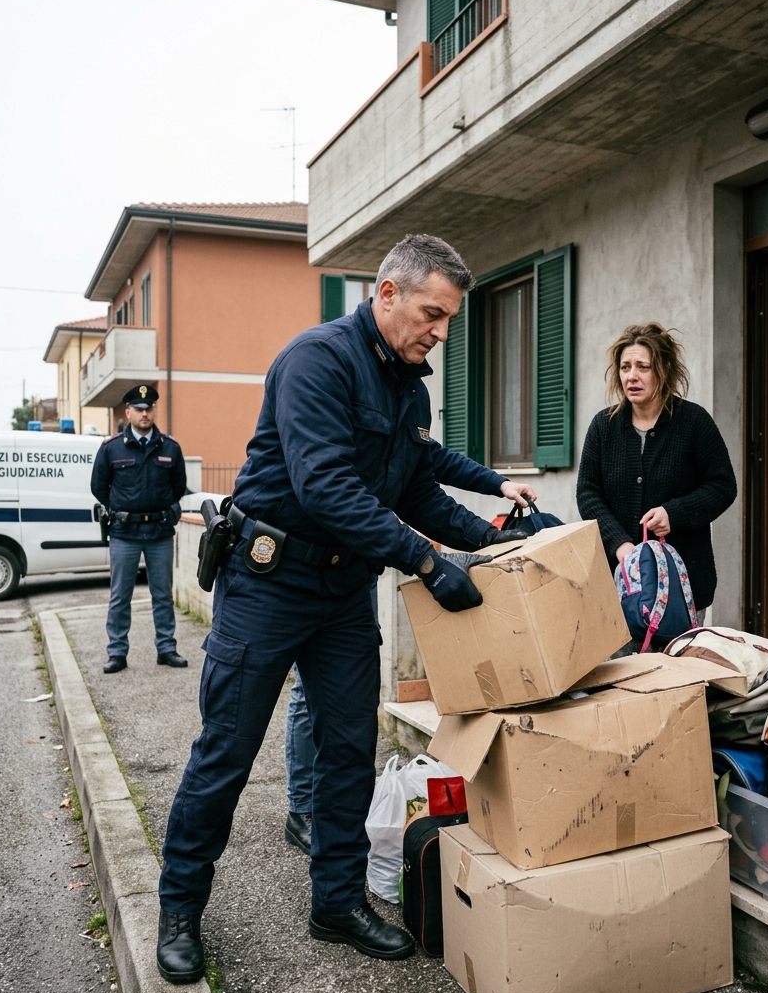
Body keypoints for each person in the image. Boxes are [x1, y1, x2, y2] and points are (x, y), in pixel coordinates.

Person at [155, 234, 528, 984]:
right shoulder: (315, 362)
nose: (441, 332)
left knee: (350, 751)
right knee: (227, 752)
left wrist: (493, 535)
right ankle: (179, 907)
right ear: (386, 293)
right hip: (268, 584)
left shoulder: (408, 390)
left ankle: (336, 903)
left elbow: (415, 491)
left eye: (450, 319)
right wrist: (425, 561)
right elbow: (326, 486)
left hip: (343, 592)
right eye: (432, 313)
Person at [284, 442, 536, 854]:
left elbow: (431, 460)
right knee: (306, 691)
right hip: (303, 565)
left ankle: (338, 813)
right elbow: (328, 481)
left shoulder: (401, 400)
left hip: (355, 565)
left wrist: (499, 485)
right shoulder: (339, 390)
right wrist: (425, 559)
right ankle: (302, 808)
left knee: (345, 695)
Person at [575, 323, 736, 620]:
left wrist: (674, 513)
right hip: (618, 587)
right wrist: (620, 545)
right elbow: (588, 493)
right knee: (623, 667)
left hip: (682, 587)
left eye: (642, 367)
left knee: (678, 665)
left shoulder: (693, 422)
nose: (631, 376)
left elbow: (722, 485)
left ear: (663, 371)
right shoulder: (603, 427)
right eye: (624, 367)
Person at [90, 384, 187, 675]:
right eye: (139, 409)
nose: (145, 414)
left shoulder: (170, 447)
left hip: (159, 532)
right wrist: (121, 508)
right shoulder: (111, 448)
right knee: (120, 596)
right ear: (128, 412)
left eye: (149, 409)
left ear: (153, 411)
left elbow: (178, 487)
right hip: (124, 532)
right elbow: (99, 487)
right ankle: (117, 652)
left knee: (163, 595)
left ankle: (166, 648)